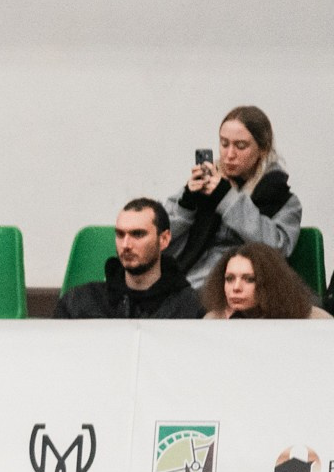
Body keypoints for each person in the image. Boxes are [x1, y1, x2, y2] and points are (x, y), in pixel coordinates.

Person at [165, 105, 301, 287]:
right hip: (190, 282)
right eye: (224, 144)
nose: (229, 155)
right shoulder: (205, 184)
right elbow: (160, 241)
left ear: (263, 149)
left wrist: (227, 199)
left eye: (240, 146)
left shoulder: (283, 199)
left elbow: (277, 250)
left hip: (243, 287)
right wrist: (186, 205)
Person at [53, 198, 202, 319]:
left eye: (138, 234)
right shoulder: (79, 302)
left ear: (164, 239)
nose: (126, 245)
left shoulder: (189, 307)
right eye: (120, 234)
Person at [201, 243, 330, 320]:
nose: (236, 287)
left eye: (249, 279)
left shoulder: (314, 320)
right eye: (229, 279)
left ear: (271, 284)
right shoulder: (214, 320)